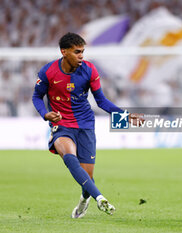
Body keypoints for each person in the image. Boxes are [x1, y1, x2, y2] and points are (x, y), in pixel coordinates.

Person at [32, 32, 142, 218]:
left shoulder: (90, 70)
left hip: (85, 124)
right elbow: (36, 96)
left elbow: (101, 101)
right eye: (77, 52)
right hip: (62, 125)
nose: (81, 56)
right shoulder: (48, 72)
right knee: (68, 156)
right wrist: (45, 114)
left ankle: (85, 199)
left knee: (87, 177)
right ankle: (100, 198)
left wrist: (124, 115)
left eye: (82, 51)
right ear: (64, 52)